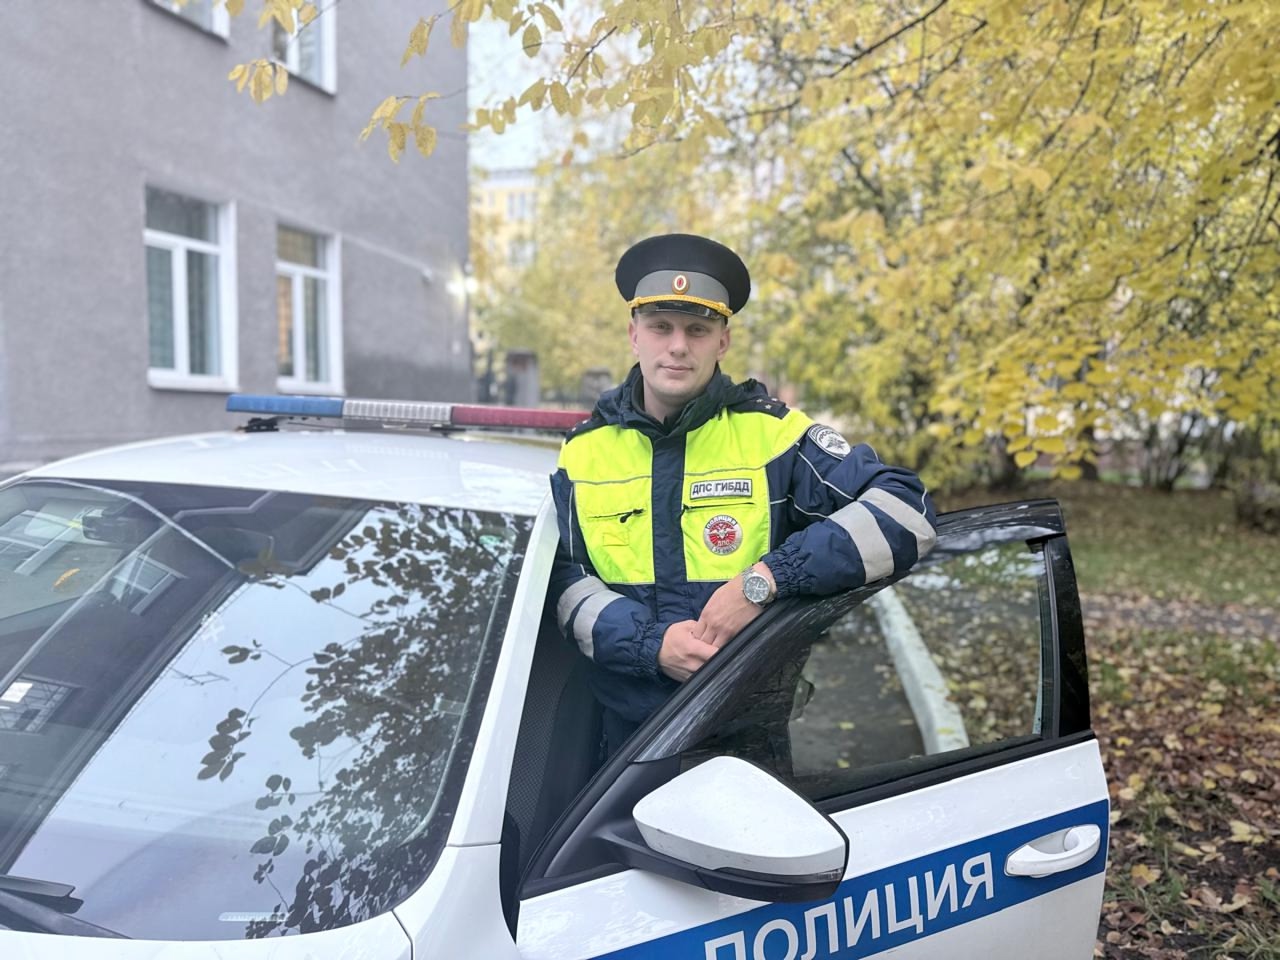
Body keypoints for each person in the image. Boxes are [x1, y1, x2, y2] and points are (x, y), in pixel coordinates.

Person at [549, 233, 937, 755]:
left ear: (723, 341)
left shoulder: (773, 437)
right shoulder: (583, 451)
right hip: (623, 746)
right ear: (634, 334)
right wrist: (650, 645)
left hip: (746, 737)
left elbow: (906, 512)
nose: (678, 346)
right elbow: (566, 582)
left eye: (698, 329)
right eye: (661, 327)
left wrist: (765, 581)